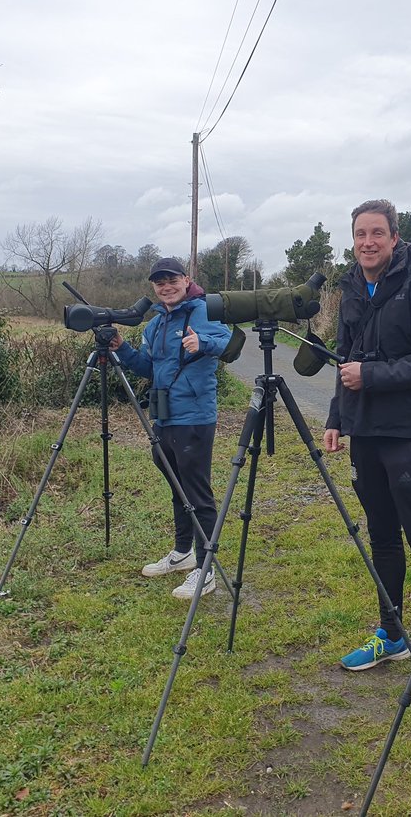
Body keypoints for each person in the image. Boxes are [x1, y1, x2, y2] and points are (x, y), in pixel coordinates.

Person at [322, 199, 411, 688]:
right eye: (360, 233)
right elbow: (346, 360)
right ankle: (392, 632)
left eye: (377, 233)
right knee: (381, 534)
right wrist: (337, 417)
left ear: (395, 238)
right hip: (365, 430)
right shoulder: (352, 291)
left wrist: (373, 376)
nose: (368, 242)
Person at [110, 257, 231, 600]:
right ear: (153, 287)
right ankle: (182, 553)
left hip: (194, 415)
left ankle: (205, 569)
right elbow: (150, 368)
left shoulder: (204, 311)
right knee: (177, 486)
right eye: (159, 282)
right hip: (164, 415)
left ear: (186, 279)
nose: (166, 286)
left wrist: (202, 343)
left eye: (172, 279)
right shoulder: (155, 324)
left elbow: (231, 344)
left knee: (197, 492)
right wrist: (123, 349)